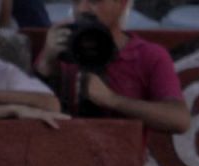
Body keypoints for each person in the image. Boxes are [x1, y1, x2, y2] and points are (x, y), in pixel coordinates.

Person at [34, 0, 189, 134]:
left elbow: (179, 119)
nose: (82, 9)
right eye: (76, 1)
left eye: (94, 1)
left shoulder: (148, 55)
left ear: (122, 4)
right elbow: (25, 114)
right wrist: (46, 62)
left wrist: (113, 100)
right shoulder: (62, 48)